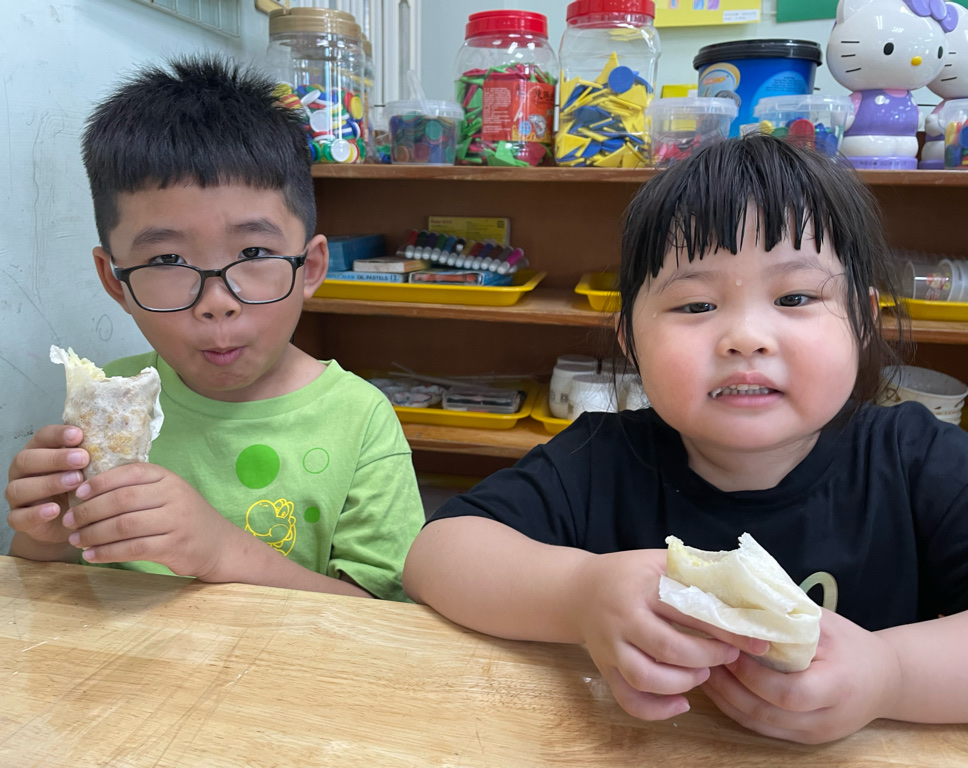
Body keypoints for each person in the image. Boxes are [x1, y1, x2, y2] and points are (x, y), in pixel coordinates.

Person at [403, 134, 968, 742]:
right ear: (630, 339)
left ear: (862, 320)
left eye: (795, 297)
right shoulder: (598, 459)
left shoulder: (917, 459)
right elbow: (437, 556)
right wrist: (579, 595)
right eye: (696, 305)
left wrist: (892, 675)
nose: (745, 338)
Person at [5, 55, 424, 601]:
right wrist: (45, 536)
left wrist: (221, 553)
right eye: (166, 261)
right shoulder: (110, 400)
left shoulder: (361, 421)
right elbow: (49, 595)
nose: (216, 303)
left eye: (253, 253)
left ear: (310, 268)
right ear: (115, 281)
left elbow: (381, 621)